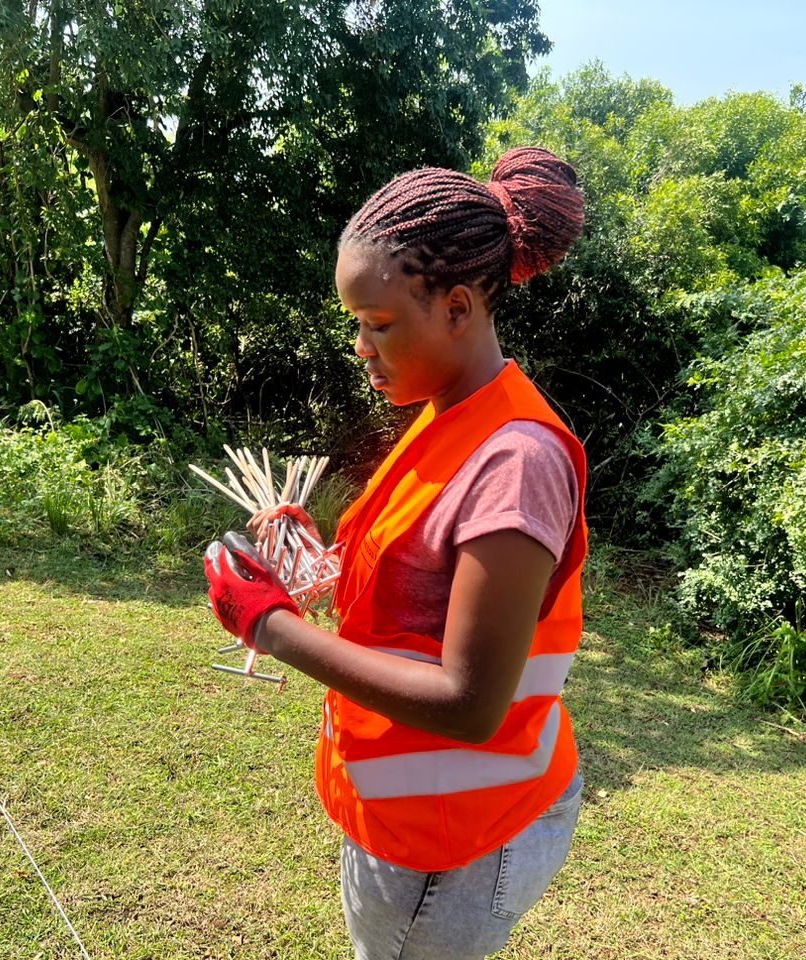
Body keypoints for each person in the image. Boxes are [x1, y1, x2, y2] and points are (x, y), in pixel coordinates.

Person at [203, 146, 588, 960]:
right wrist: (309, 558)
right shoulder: (450, 413)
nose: (360, 347)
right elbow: (418, 587)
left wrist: (267, 625)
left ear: (456, 307)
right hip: (415, 818)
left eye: (378, 325)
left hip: (457, 839)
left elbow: (470, 702)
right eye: (355, 324)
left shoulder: (516, 458)